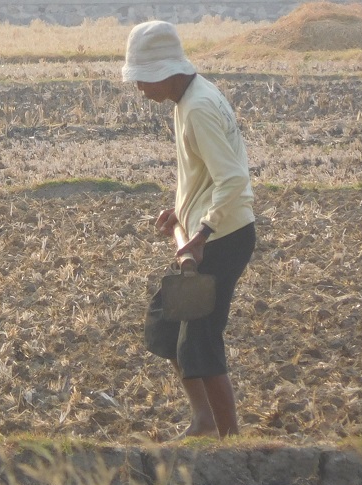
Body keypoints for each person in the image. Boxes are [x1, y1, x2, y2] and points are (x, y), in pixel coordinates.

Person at [122, 21, 256, 438]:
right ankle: (204, 422)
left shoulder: (197, 107)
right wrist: (180, 212)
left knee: (200, 339)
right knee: (165, 326)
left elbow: (233, 179)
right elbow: (207, 177)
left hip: (222, 239)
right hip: (205, 233)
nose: (139, 88)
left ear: (166, 71)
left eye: (143, 78)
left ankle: (231, 440)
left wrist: (200, 234)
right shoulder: (191, 98)